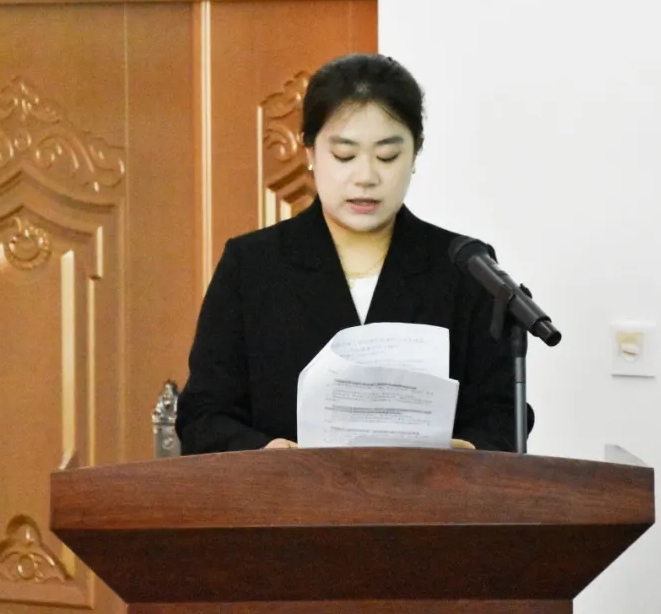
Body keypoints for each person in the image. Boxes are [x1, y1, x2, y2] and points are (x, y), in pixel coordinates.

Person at [175, 53, 533, 454]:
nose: (366, 177)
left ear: (415, 154)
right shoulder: (252, 265)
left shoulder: (464, 267)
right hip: (286, 492)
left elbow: (503, 414)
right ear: (310, 152)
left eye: (387, 156)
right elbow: (203, 415)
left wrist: (465, 451)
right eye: (344, 155)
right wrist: (266, 455)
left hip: (428, 492)